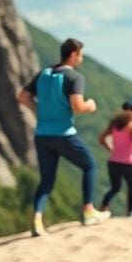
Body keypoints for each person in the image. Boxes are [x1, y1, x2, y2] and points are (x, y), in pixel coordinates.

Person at [17, 38, 110, 233]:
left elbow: (22, 97)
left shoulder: (43, 74)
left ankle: (37, 220)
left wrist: (39, 110)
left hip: (42, 134)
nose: (82, 59)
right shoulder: (74, 77)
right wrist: (91, 105)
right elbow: (78, 106)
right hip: (64, 134)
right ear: (74, 54)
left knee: (47, 180)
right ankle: (88, 211)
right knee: (89, 165)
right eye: (81, 55)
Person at [98, 101, 132, 217]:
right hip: (128, 162)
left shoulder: (114, 124)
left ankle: (103, 207)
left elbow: (101, 139)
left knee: (115, 188)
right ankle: (131, 212)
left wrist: (111, 149)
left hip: (113, 161)